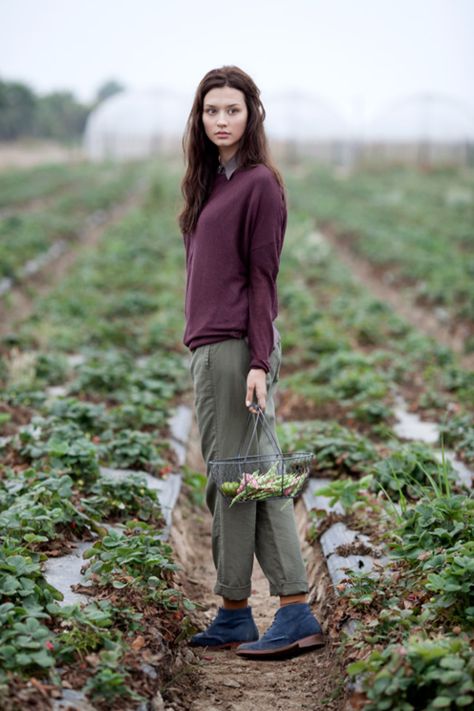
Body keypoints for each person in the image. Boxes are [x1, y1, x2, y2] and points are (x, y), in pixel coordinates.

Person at [178, 65, 324, 658]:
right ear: (200, 117)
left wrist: (259, 361)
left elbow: (263, 278)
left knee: (237, 481)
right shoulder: (212, 181)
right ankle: (244, 612)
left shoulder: (259, 183)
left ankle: (286, 609)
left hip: (238, 350)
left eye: (232, 110)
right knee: (248, 479)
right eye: (211, 110)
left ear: (250, 115)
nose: (221, 120)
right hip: (216, 347)